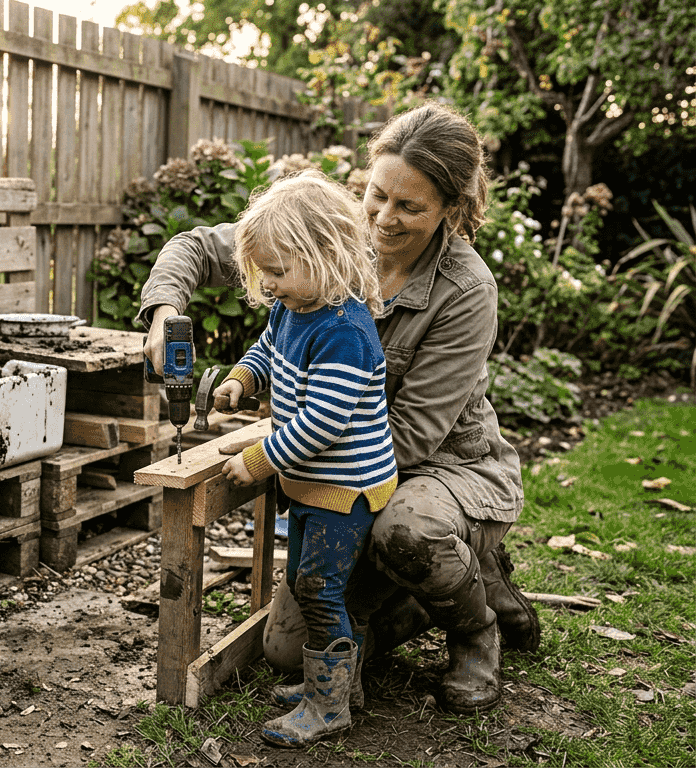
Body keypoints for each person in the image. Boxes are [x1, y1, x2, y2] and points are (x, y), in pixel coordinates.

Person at [138, 102, 540, 717]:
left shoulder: (467, 290)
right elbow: (197, 248)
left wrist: (278, 452)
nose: (382, 218)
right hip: (336, 452)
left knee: (405, 534)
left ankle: (474, 627)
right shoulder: (325, 234)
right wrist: (166, 312)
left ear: (451, 208)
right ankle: (434, 582)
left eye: (409, 206)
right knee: (285, 649)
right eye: (377, 195)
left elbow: (409, 438)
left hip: (435, 466)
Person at [217, 170, 398, 746]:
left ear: (325, 253)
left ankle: (328, 706)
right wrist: (244, 378)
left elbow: (321, 424)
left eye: (277, 270)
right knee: (305, 580)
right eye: (262, 272)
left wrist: (258, 460)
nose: (268, 284)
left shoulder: (345, 332)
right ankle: (340, 687)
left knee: (320, 589)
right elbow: (268, 349)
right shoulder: (292, 309)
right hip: (313, 486)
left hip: (345, 489)